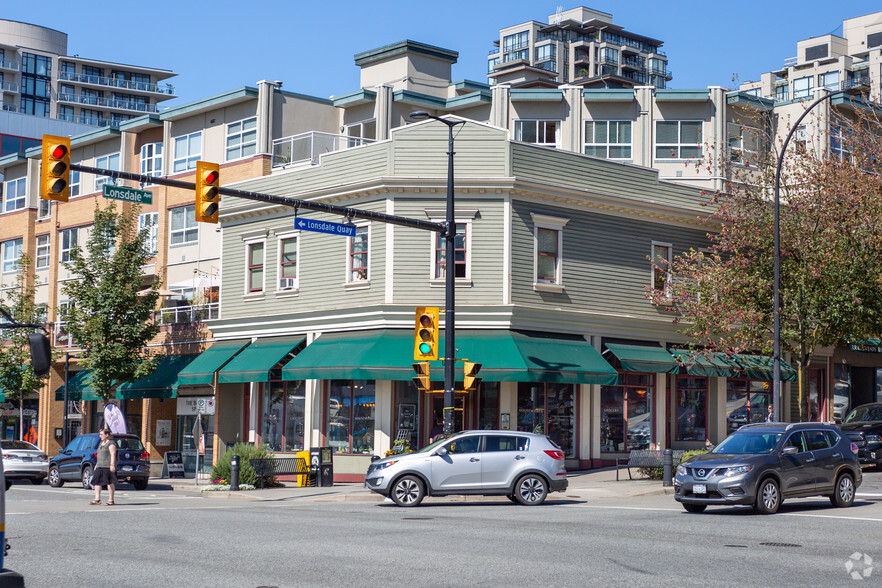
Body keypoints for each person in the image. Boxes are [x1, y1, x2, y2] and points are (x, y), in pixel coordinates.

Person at [90, 428, 117, 506]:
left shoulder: (111, 444)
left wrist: (112, 465)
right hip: (100, 466)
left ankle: (111, 500)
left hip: (107, 466)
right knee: (97, 482)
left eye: (102, 434)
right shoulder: (101, 443)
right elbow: (99, 455)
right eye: (100, 434)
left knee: (109, 483)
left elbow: (113, 455)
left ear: (107, 435)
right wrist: (97, 464)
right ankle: (97, 499)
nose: (100, 436)